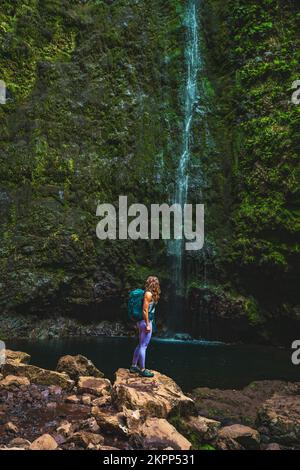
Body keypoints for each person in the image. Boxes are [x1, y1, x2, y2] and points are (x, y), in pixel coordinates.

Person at [130, 276, 161, 377]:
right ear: (155, 284)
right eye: (157, 283)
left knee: (140, 344)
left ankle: (134, 366)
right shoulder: (148, 294)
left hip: (143, 322)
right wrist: (148, 324)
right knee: (144, 346)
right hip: (145, 322)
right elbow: (144, 310)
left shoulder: (149, 293)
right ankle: (142, 369)